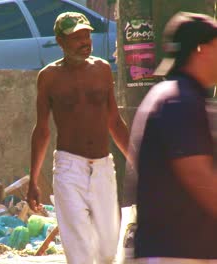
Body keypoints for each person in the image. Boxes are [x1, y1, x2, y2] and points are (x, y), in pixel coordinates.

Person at [26, 12, 129, 264]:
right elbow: (42, 130)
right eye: (77, 37)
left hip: (104, 167)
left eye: (87, 35)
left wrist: (139, 162)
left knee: (108, 250)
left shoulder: (103, 70)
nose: (85, 41)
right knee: (79, 252)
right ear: (60, 41)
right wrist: (33, 180)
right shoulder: (48, 77)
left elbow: (114, 121)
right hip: (68, 168)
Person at [128, 12, 217, 263]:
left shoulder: (174, 96)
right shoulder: (179, 100)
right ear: (201, 49)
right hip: (175, 253)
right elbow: (198, 175)